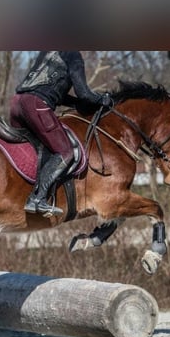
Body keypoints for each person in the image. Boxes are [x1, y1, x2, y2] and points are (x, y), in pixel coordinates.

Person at [10, 51, 113, 217]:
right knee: (65, 151)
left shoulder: (48, 52)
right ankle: (38, 199)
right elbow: (84, 93)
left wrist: (78, 103)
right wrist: (103, 100)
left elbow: (55, 92)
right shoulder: (73, 55)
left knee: (39, 146)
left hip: (17, 103)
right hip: (36, 105)